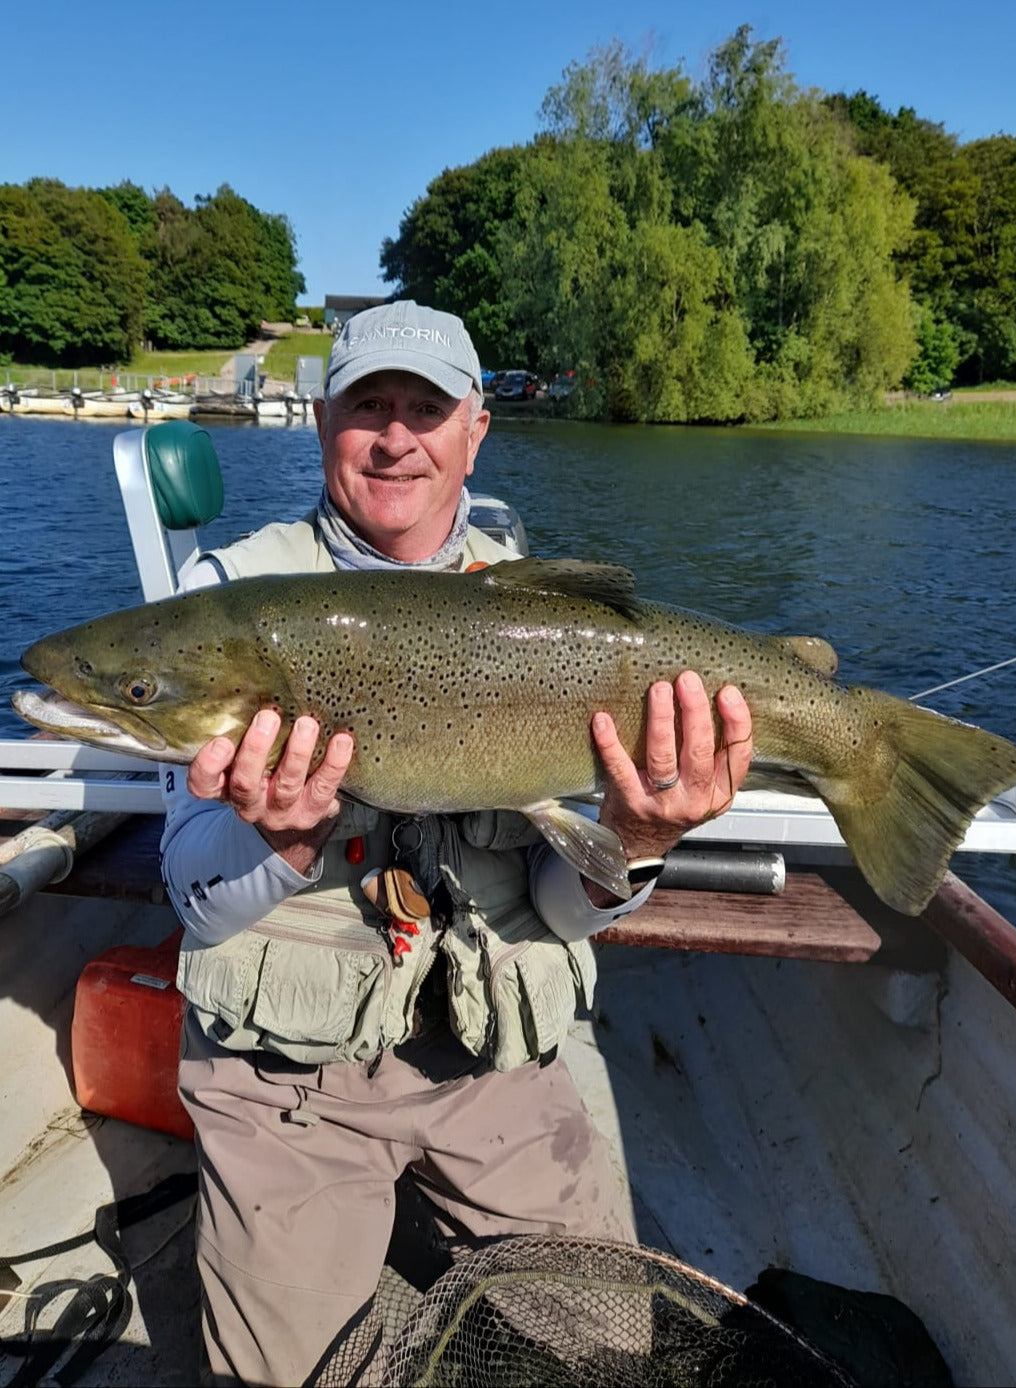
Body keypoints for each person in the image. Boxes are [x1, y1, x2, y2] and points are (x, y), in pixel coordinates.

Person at [161, 300, 754, 1386]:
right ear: (321, 421)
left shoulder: (539, 602)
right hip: (285, 1076)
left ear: (476, 431)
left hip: (493, 1055)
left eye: (426, 409)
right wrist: (283, 848)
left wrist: (637, 835)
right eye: (367, 407)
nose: (397, 437)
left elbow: (567, 906)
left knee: (611, 1349)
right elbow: (193, 900)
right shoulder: (224, 604)